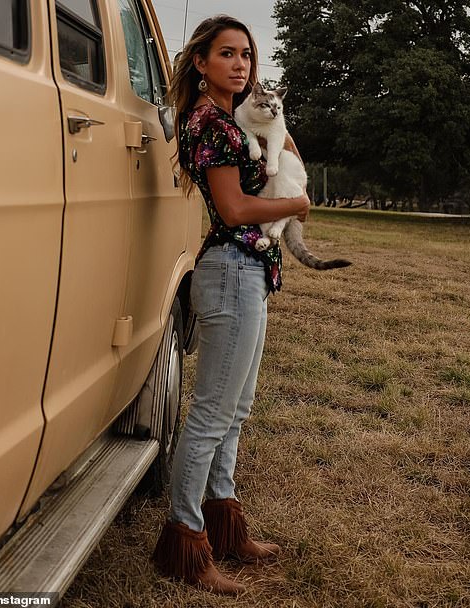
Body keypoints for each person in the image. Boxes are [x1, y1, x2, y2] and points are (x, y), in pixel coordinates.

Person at [152, 15, 310, 595]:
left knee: (236, 410)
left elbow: (280, 146)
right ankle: (187, 545)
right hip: (230, 272)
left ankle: (224, 522)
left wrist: (283, 146)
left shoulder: (235, 118)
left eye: (247, 54)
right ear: (201, 63)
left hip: (249, 273)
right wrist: (296, 203)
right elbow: (238, 209)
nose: (241, 64)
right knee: (212, 415)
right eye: (227, 54)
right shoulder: (209, 123)